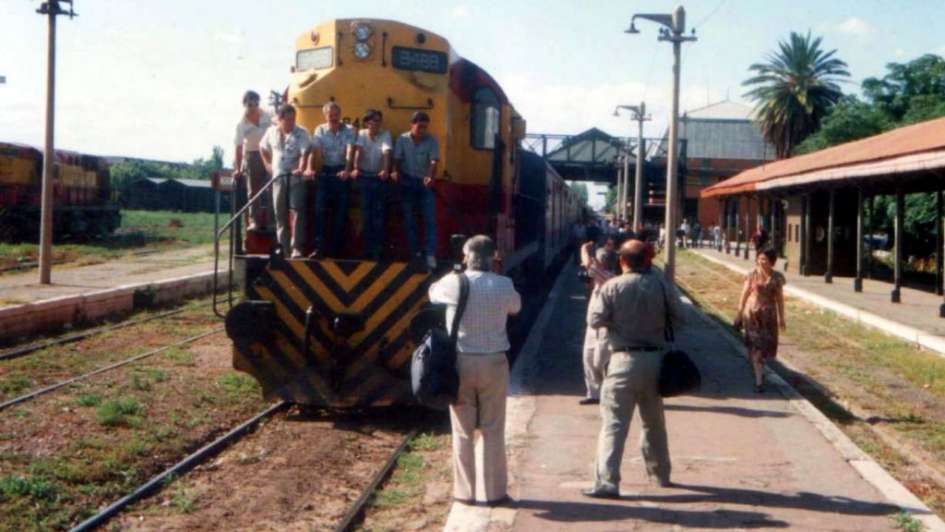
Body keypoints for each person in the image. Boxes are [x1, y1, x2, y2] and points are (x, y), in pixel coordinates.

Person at [583, 239, 686, 498]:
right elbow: (680, 318)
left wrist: (617, 321)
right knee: (654, 422)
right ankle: (660, 474)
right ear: (648, 261)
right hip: (656, 361)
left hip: (622, 361)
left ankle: (607, 482)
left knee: (614, 424)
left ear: (622, 261)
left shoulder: (612, 287)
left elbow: (594, 320)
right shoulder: (662, 285)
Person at [428, 235, 522, 506]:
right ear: (495, 256)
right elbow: (516, 307)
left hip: (461, 362)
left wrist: (454, 272)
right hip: (494, 363)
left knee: (462, 430)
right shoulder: (504, 284)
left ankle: (464, 492)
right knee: (494, 427)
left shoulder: (452, 283)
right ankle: (494, 493)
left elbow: (432, 293)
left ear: (465, 256)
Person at [259, 104, 311, 258]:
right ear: (280, 119)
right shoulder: (271, 132)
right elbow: (262, 147)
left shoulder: (301, 133)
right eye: (288, 120)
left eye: (293, 119)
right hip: (278, 178)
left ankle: (297, 248)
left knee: (297, 212)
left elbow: (305, 152)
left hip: (295, 179)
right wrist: (268, 165)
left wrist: (301, 168)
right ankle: (283, 248)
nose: (291, 122)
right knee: (280, 214)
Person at [307, 102, 357, 258]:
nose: (334, 118)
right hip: (326, 173)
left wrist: (347, 170)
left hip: (342, 172)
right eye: (331, 115)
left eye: (336, 115)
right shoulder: (320, 130)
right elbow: (315, 152)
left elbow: (350, 151)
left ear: (340, 115)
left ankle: (338, 251)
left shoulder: (349, 130)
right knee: (320, 211)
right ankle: (319, 248)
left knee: (341, 213)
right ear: (325, 116)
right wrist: (311, 168)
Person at [734, 247, 786, 393]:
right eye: (760, 258)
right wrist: (739, 313)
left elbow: (780, 300)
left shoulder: (777, 278)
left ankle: (757, 368)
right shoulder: (751, 274)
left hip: (769, 317)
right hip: (752, 316)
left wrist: (782, 318)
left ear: (772, 262)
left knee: (763, 348)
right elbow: (743, 294)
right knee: (757, 348)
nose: (762, 262)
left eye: (765, 260)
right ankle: (759, 381)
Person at [393, 111, 440, 269]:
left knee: (430, 219)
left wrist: (429, 176)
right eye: (420, 126)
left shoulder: (432, 140)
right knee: (409, 219)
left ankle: (430, 254)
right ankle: (415, 253)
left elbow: (434, 161)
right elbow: (397, 159)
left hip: (424, 183)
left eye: (425, 127)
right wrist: (396, 172)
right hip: (407, 182)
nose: (422, 130)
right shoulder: (402, 139)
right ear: (412, 125)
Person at [580, 234, 616, 405]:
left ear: (604, 262)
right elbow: (590, 269)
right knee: (588, 358)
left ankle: (607, 393)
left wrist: (583, 250)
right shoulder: (599, 278)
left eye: (598, 261)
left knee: (600, 360)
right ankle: (593, 393)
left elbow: (589, 265)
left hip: (604, 328)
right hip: (591, 327)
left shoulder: (609, 278)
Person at [352, 109, 392, 260]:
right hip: (365, 178)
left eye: (379, 121)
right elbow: (358, 152)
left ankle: (378, 250)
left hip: (378, 178)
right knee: (366, 215)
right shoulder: (362, 134)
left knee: (379, 214)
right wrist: (356, 168)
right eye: (375, 121)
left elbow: (386, 153)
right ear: (367, 123)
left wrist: (385, 170)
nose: (378, 124)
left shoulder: (385, 134)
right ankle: (367, 249)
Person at [233, 90, 273, 231]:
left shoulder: (268, 116)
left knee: (271, 187)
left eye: (255, 103)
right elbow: (238, 147)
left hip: (269, 154)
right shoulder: (241, 124)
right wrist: (238, 168)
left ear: (258, 103)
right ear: (244, 104)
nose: (252, 106)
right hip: (252, 155)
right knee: (253, 191)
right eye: (249, 104)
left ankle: (271, 222)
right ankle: (255, 221)